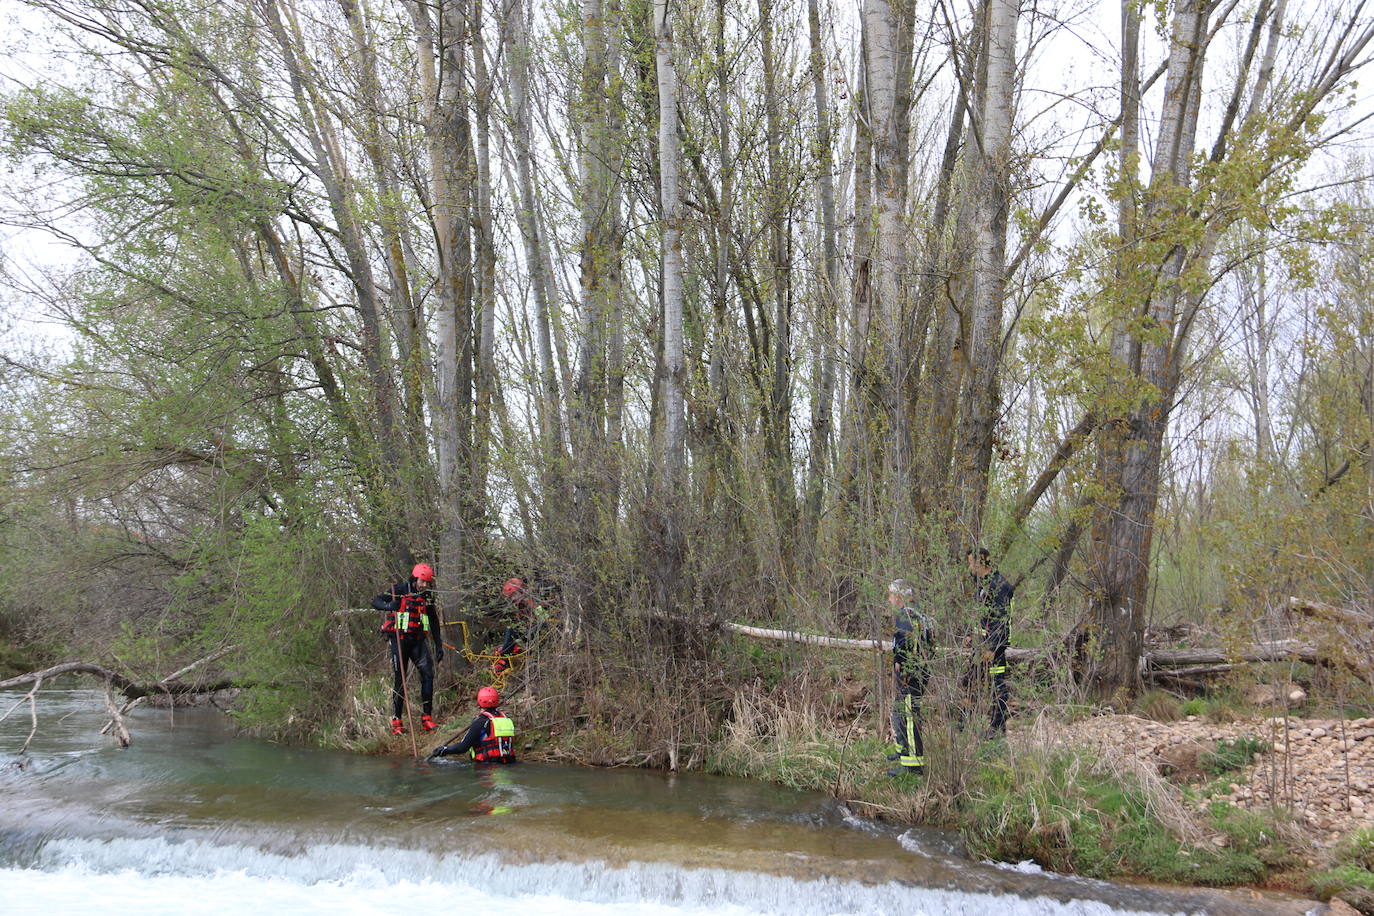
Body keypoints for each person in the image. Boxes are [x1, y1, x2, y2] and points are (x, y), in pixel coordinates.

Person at [373, 562, 444, 735]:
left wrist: (438, 644)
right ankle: (397, 721)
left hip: (418, 641)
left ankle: (427, 718)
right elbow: (375, 601)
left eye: (427, 582)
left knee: (428, 675)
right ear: (415, 578)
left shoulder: (427, 596)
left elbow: (433, 621)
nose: (424, 585)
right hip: (400, 641)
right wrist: (389, 606)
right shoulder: (399, 589)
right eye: (422, 581)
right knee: (401, 679)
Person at [962, 546, 1012, 736]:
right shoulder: (982, 584)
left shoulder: (999, 586)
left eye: (970, 562)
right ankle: (964, 720)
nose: (969, 567)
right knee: (969, 681)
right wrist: (970, 634)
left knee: (997, 684)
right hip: (981, 644)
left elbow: (1001, 620)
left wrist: (992, 647)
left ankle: (998, 727)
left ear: (979, 562)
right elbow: (981, 615)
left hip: (994, 646)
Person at [887, 579, 933, 777]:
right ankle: (903, 751)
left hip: (911, 675)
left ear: (899, 597)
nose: (888, 598)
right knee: (901, 711)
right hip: (917, 672)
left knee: (909, 717)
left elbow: (907, 647)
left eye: (890, 594)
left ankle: (913, 767)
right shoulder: (917, 613)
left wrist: (903, 669)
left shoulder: (907, 616)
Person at [431, 686, 517, 763]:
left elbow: (462, 748)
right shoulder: (506, 719)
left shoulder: (480, 722)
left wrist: (445, 749)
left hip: (487, 768)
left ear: (479, 701)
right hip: (508, 763)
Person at [491, 577, 550, 674]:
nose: (512, 598)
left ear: (520, 592)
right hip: (529, 634)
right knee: (512, 630)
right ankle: (506, 658)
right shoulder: (519, 604)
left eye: (514, 595)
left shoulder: (529, 601)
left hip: (538, 634)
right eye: (510, 597)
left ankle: (505, 660)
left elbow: (545, 619)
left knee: (513, 630)